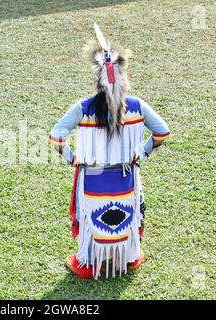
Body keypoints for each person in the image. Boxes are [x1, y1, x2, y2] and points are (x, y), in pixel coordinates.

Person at [49, 24, 171, 279]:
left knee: (94, 220)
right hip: (126, 179)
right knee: (122, 218)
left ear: (98, 81)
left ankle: (93, 261)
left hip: (92, 179)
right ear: (123, 76)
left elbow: (56, 137)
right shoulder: (137, 106)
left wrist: (74, 159)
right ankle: (124, 258)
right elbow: (162, 133)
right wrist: (143, 152)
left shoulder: (82, 108)